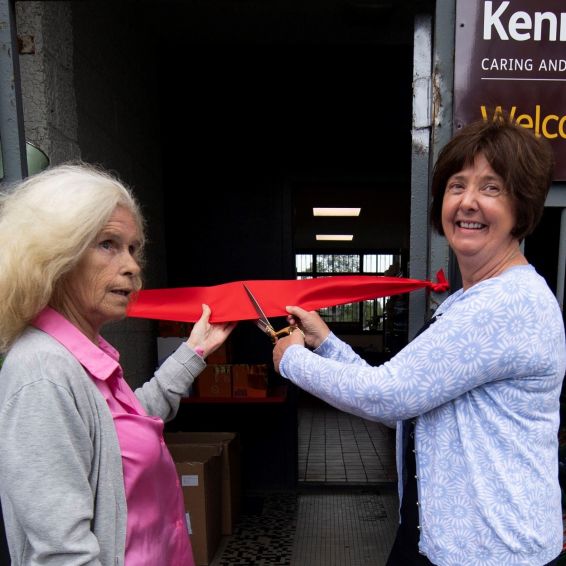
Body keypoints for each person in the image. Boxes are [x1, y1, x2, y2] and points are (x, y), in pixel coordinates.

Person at [273, 118, 566, 566]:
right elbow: (409, 400)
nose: (467, 201)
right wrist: (326, 341)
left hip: (494, 553)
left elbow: (390, 396)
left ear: (521, 207)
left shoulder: (507, 303)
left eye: (491, 188)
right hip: (447, 540)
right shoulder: (470, 300)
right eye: (456, 185)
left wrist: (291, 359)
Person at [0, 163, 235, 565]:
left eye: (132, 248)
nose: (132, 266)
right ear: (55, 255)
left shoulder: (83, 352)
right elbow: (64, 555)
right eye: (108, 244)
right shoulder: (43, 373)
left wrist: (193, 352)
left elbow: (123, 432)